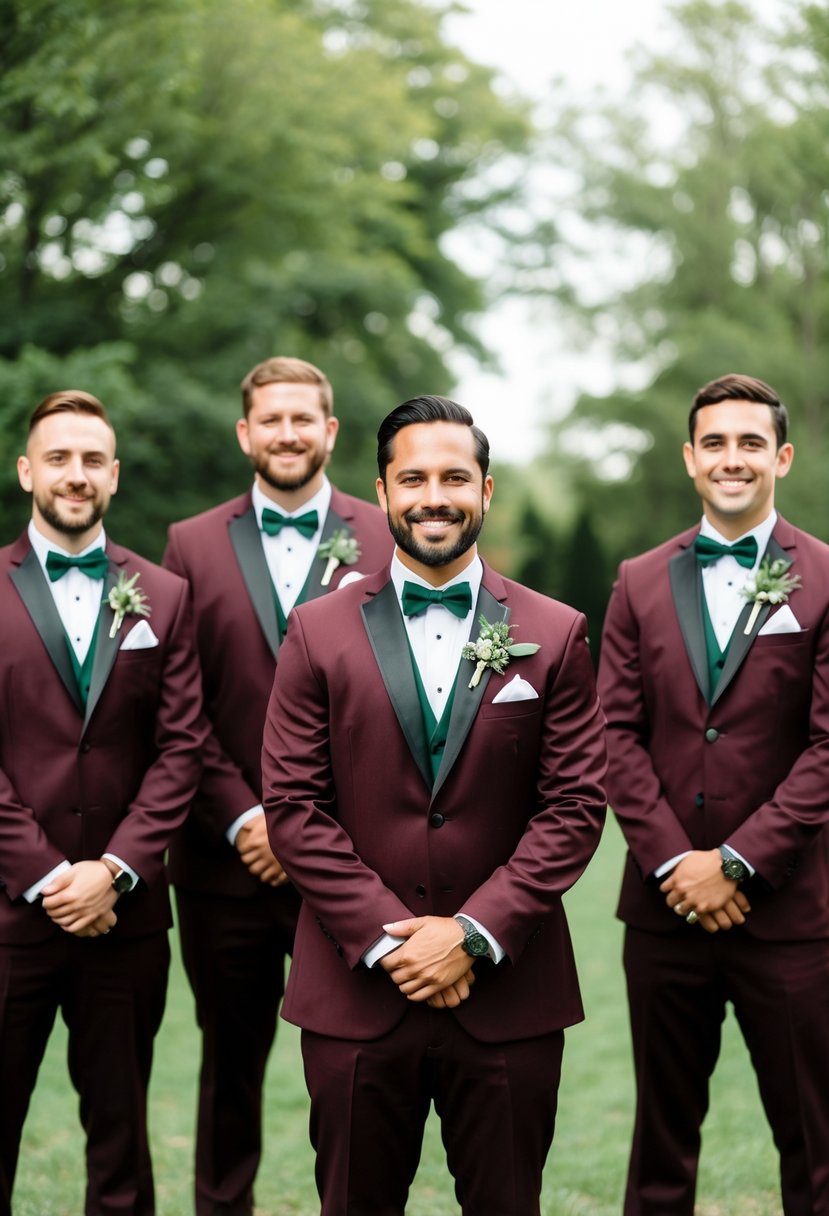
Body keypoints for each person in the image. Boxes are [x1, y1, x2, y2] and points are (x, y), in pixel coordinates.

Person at [261, 395, 607, 1216]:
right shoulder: (315, 632)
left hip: (509, 996)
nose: (434, 495)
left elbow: (573, 806)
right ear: (380, 493)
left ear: (486, 490)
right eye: (411, 477)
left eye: (454, 476)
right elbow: (294, 807)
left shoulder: (554, 634)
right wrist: (393, 944)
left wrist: (472, 933)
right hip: (355, 996)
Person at [162, 356, 392, 1216]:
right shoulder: (188, 543)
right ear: (245, 433)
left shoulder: (382, 533)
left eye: (305, 419)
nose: (288, 434)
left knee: (358, 1064)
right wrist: (247, 818)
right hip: (227, 868)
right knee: (228, 1064)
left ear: (330, 431)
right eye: (271, 420)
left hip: (348, 864)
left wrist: (310, 830)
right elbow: (182, 706)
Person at [598, 373, 829, 1216]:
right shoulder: (636, 581)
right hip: (663, 917)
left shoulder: (828, 578)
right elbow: (614, 737)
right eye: (716, 444)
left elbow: (826, 747)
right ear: (690, 459)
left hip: (793, 914)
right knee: (661, 1144)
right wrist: (674, 865)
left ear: (782, 457)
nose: (733, 459)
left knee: (814, 1141)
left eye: (750, 443)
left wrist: (736, 864)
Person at [0, 390, 204, 1216]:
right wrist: (48, 876)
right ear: (26, 472)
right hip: (8, 914)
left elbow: (182, 747)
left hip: (126, 921)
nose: (75, 476)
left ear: (113, 476)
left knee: (119, 1135)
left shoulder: (165, 594)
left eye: (91, 461)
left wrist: (114, 871)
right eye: (59, 458)